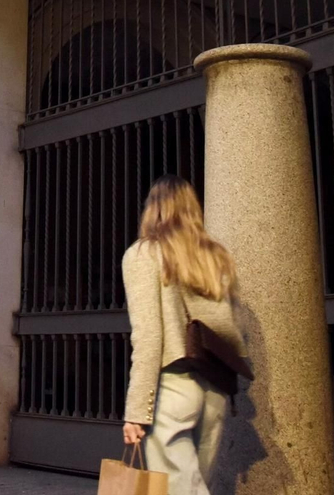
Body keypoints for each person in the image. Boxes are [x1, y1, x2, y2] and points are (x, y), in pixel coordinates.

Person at [120, 177, 245, 495]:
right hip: (213, 388)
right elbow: (230, 327)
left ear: (152, 209)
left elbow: (148, 336)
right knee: (196, 483)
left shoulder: (144, 254)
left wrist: (137, 411)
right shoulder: (214, 256)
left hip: (173, 386)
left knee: (179, 489)